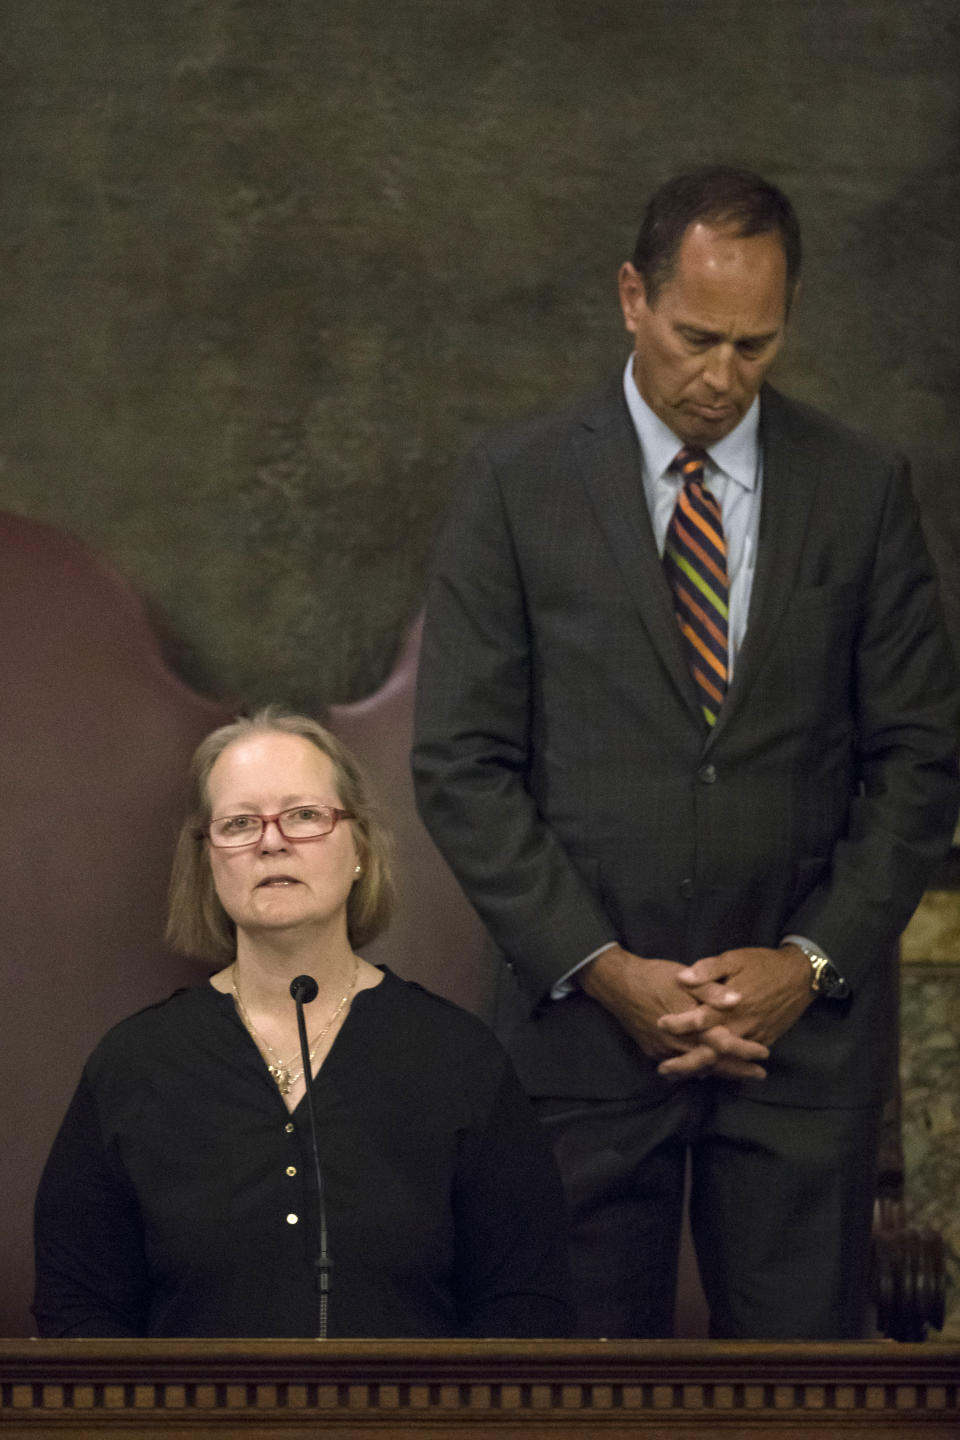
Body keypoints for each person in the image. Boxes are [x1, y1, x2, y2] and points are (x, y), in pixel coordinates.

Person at [412, 166, 960, 1340]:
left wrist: (805, 966)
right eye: (697, 336)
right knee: (572, 1410)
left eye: (755, 347)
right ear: (631, 297)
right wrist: (606, 969)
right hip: (581, 1050)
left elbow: (920, 764)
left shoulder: (861, 491)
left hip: (798, 1061)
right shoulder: (516, 485)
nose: (721, 378)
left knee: (801, 1413)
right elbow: (461, 764)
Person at [33, 708, 572, 1339]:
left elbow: (525, 1305)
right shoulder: (134, 1065)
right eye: (238, 824)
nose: (271, 841)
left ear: (361, 849)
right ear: (209, 861)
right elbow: (77, 1310)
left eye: (306, 816)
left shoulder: (458, 1058)